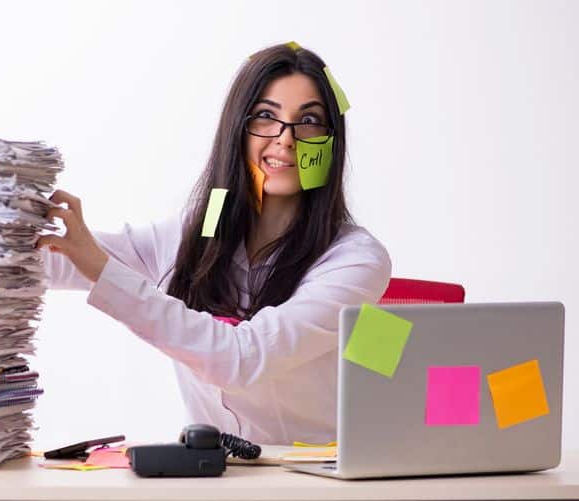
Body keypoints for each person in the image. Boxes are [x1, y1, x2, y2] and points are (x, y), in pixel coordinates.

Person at [35, 42, 391, 445]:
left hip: (313, 480)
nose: (285, 139)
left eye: (308, 120)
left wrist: (101, 269)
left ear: (331, 141)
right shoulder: (199, 235)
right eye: (265, 116)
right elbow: (59, 259)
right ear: (237, 131)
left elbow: (241, 358)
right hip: (217, 476)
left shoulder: (355, 260)